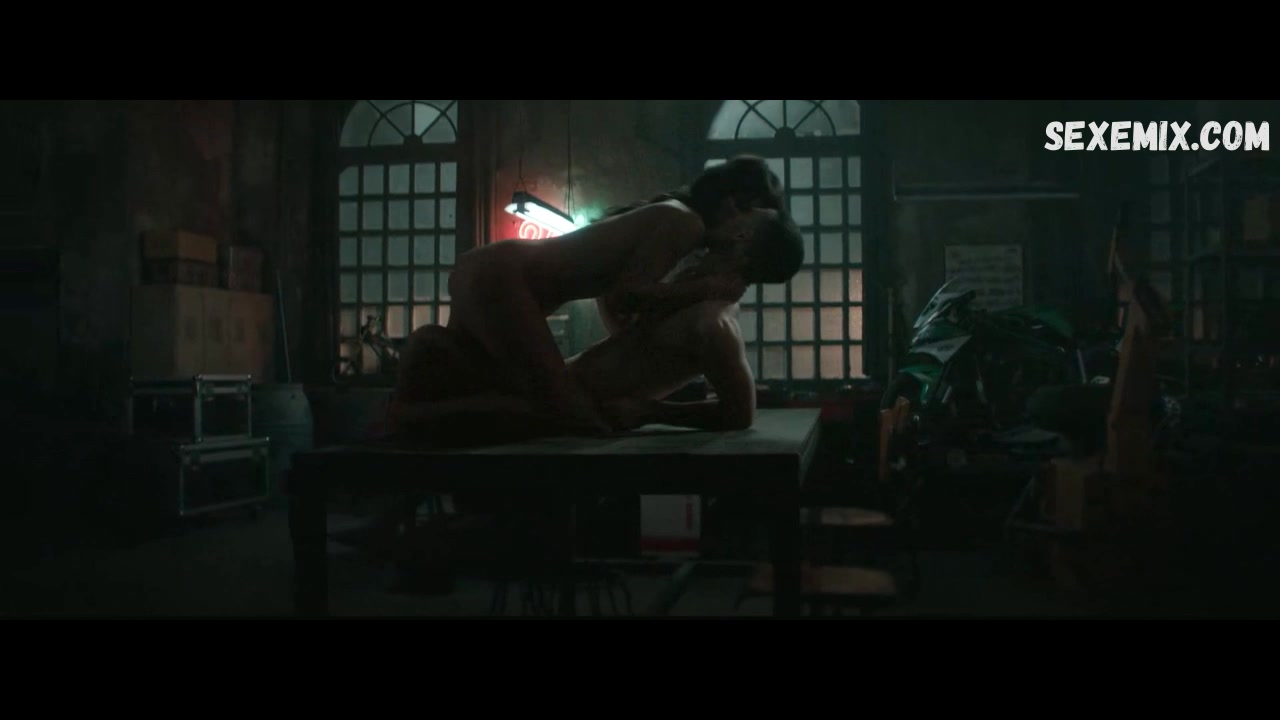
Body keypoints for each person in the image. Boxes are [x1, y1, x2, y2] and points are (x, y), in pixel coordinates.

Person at [388, 157, 802, 440]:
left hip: (492, 274)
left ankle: (412, 396)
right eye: (752, 219)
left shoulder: (674, 219)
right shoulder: (685, 224)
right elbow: (627, 293)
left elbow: (616, 298)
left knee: (464, 374)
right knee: (570, 417)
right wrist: (702, 291)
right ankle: (400, 422)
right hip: (504, 281)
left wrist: (637, 338)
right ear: (736, 209)